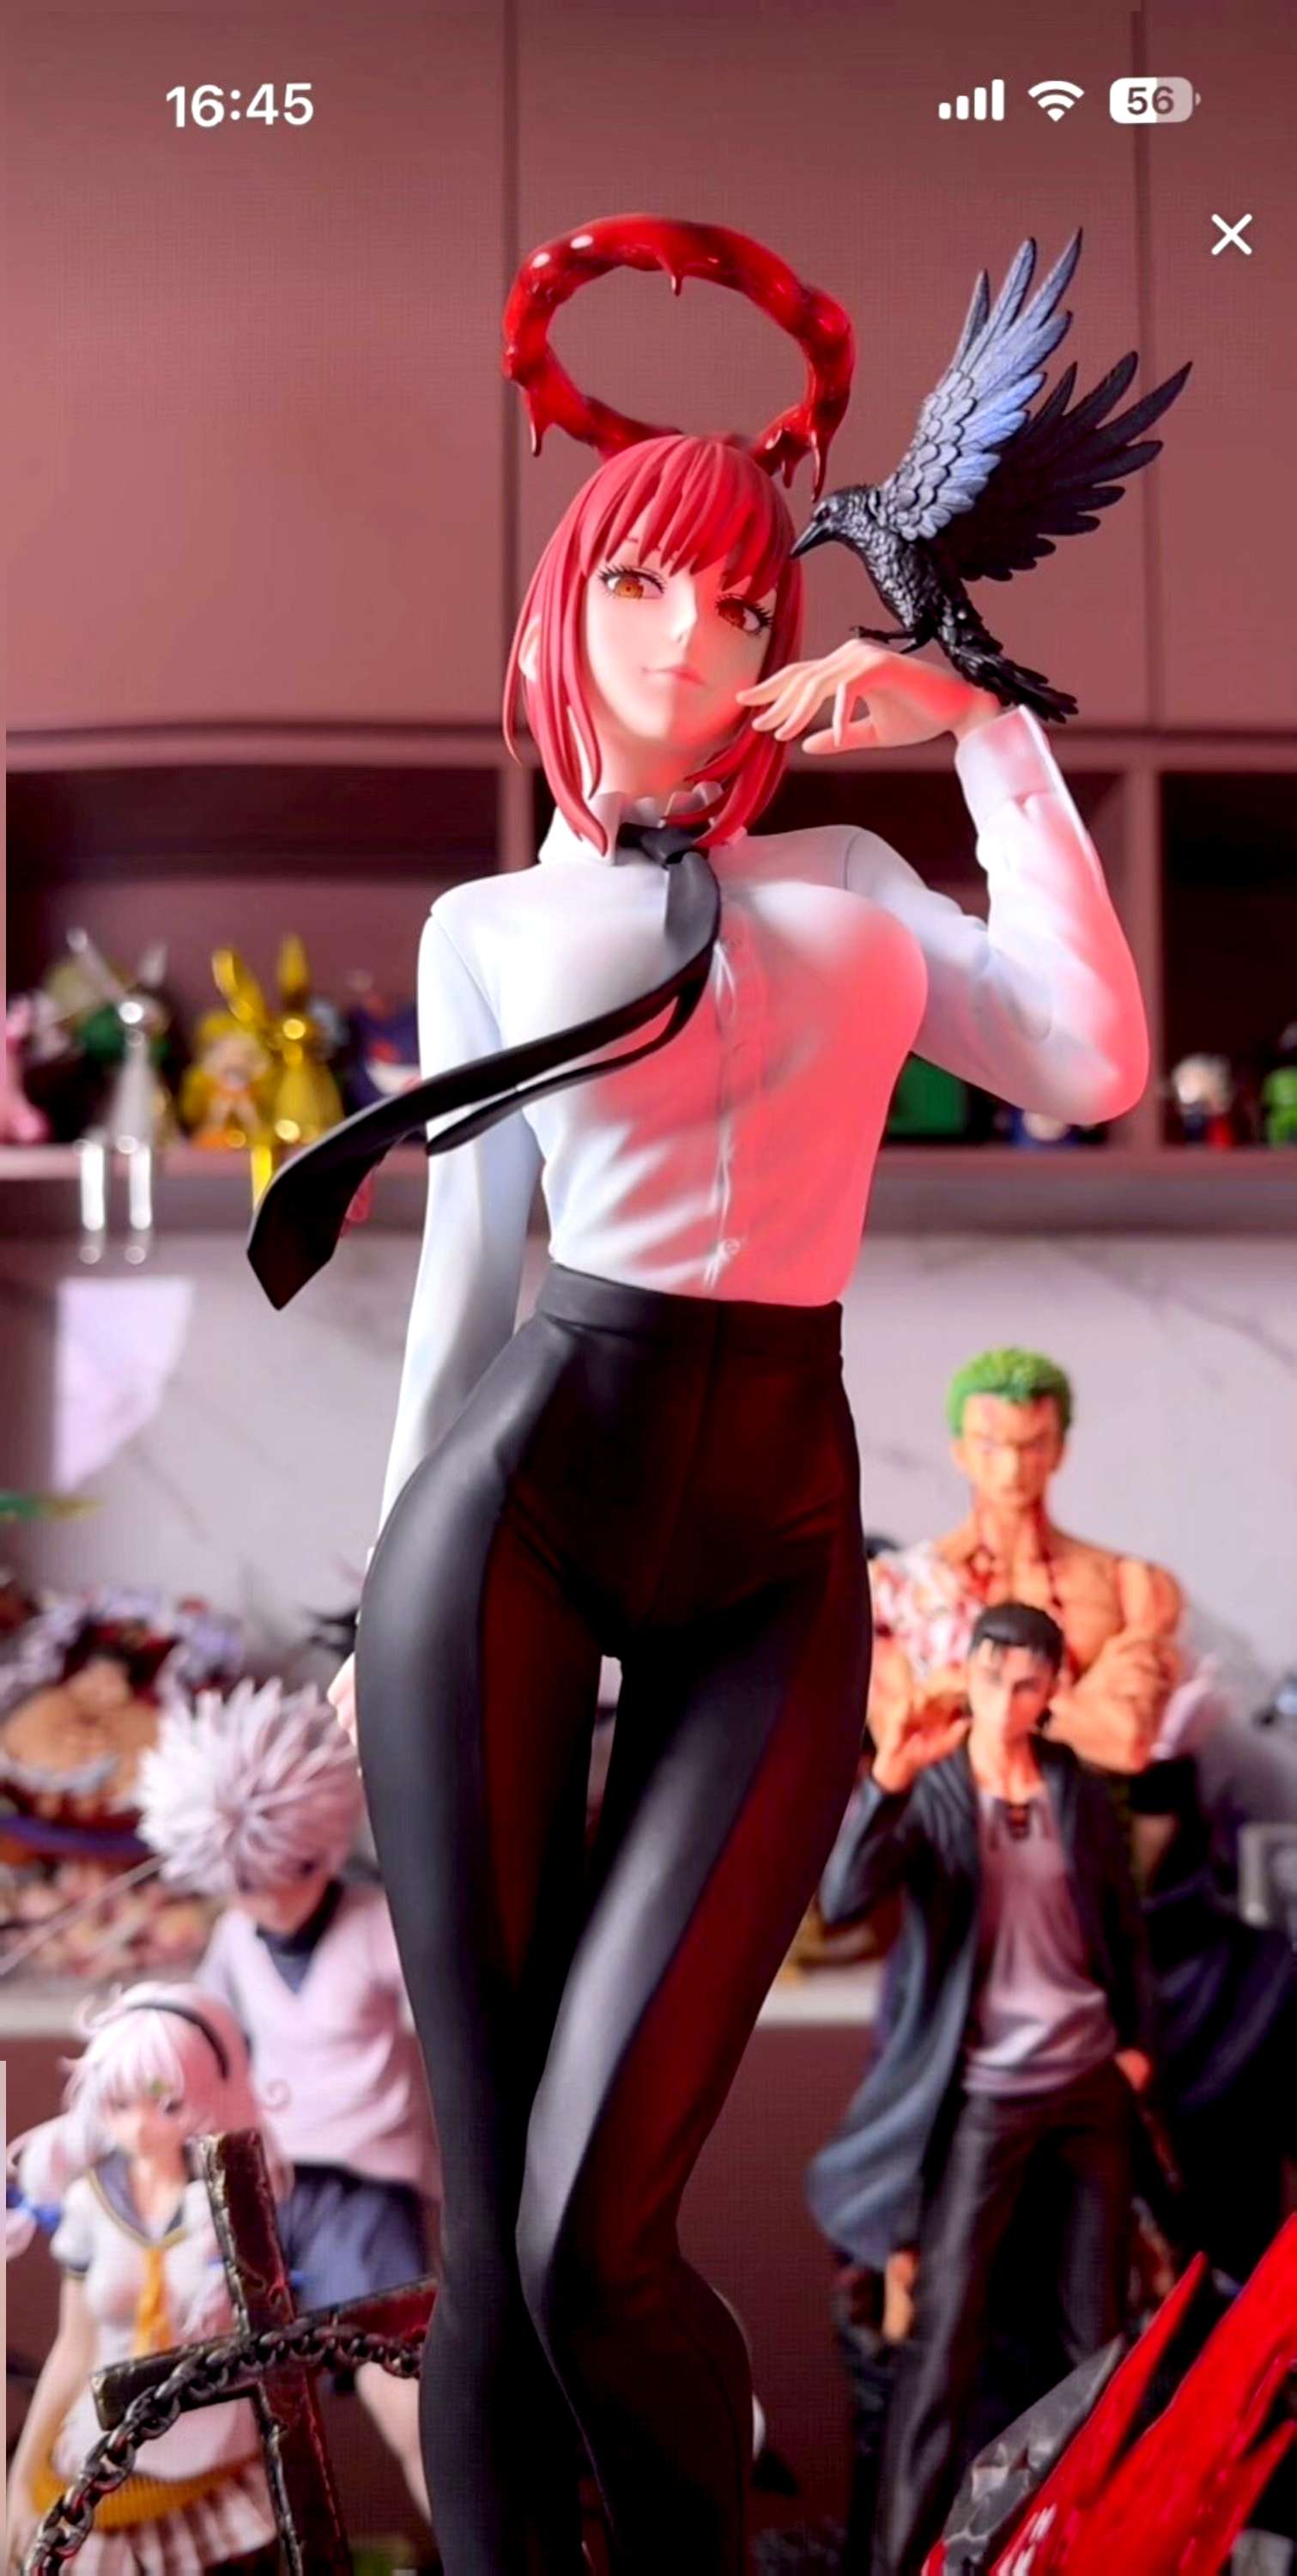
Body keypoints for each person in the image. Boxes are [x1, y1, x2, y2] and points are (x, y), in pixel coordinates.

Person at [249, 214, 1151, 2573]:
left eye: (743, 603)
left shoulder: (848, 897)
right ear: (563, 608)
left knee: (591, 2233)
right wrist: (369, 1603)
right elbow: (466, 1280)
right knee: (484, 2208)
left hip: (771, 1540)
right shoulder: (489, 928)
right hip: (507, 1521)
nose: (691, 638)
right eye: (640, 586)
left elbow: (1086, 1057)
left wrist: (984, 733)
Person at [809, 1601, 1156, 2575]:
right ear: (967, 1674)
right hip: (985, 2094)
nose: (1006, 1699)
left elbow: (1121, 1923)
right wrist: (888, 1776)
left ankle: (1092, 2548)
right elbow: (841, 1901)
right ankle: (893, 2560)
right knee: (941, 2340)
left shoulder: (1072, 1790)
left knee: (1094, 2338)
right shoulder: (932, 1791)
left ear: (1050, 1693)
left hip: (1086, 2085)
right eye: (991, 1677)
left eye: (1026, 1683)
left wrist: (1137, 2048)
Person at [136, 1680, 439, 2526]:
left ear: (324, 1840)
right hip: (262, 2184)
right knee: (223, 2389)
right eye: (247, 1881)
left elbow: (454, 2019)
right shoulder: (235, 1939)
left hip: (362, 2186)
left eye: (292, 1871)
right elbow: (203, 2036)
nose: (272, 1899)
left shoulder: (375, 1925)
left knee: (405, 2395)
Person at [4, 1984, 289, 2576]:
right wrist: (21, 2477)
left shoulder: (225, 2202)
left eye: (166, 2104)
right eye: (119, 2104)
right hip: (104, 2448)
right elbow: (74, 2347)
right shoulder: (89, 2203)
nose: (139, 2126)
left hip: (210, 2455)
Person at [868, 1346, 1185, 1777]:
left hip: (1077, 1810)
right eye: (990, 1445)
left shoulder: (1128, 1586)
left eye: (1032, 1445)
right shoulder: (897, 1587)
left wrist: (969, 1695)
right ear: (961, 1452)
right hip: (948, 1813)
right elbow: (903, 1740)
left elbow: (1126, 1740)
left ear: (1058, 1451)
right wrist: (1066, 1708)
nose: (1012, 1468)